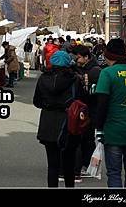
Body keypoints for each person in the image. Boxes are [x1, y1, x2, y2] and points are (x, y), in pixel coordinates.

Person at [95, 38, 126, 188]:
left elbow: (101, 104)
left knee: (115, 172)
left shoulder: (107, 73)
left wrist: (99, 127)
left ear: (107, 54)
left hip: (114, 130)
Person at [33, 50, 85, 188]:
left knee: (52, 165)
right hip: (69, 123)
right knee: (69, 164)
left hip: (48, 123)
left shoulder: (43, 78)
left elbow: (36, 101)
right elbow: (81, 101)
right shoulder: (74, 79)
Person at [72, 44, 101, 179]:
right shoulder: (79, 68)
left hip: (90, 109)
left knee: (88, 138)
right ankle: (85, 164)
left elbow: (92, 93)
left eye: (78, 58)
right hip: (81, 109)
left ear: (86, 57)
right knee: (83, 138)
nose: (76, 60)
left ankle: (88, 165)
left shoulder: (95, 71)